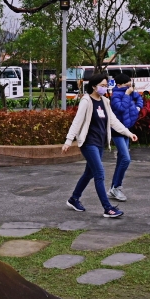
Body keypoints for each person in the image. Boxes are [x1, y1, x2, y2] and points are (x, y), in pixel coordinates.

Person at [61, 71, 137, 219]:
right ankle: (107, 208)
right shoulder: (86, 101)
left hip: (100, 143)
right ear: (94, 86)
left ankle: (74, 199)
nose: (105, 88)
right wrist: (68, 140)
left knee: (89, 173)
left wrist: (128, 133)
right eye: (102, 85)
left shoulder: (105, 101)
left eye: (106, 85)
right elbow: (77, 121)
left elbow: (113, 121)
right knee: (99, 174)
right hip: (88, 143)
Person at [107, 70, 144, 202]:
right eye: (128, 83)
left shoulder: (131, 92)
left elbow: (140, 99)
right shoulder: (115, 96)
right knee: (126, 159)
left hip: (128, 129)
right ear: (121, 84)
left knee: (121, 159)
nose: (130, 85)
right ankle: (116, 187)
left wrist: (137, 108)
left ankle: (113, 188)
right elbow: (121, 108)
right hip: (117, 131)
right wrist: (128, 95)